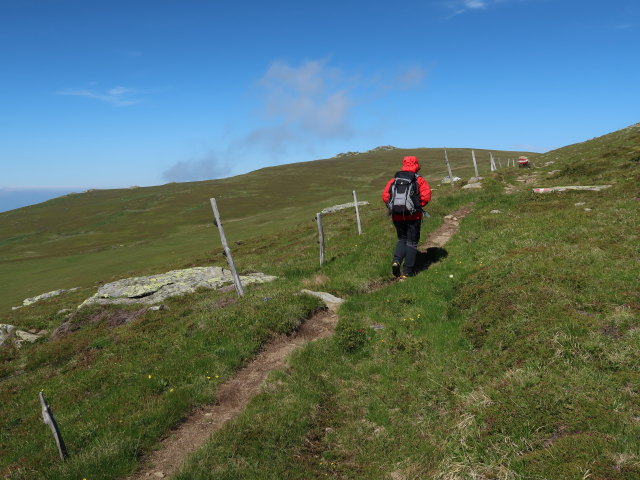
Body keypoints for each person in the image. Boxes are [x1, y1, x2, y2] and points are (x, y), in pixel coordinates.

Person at [381, 156, 432, 279]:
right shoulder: (419, 180)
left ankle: (396, 260)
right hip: (413, 216)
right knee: (412, 242)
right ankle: (407, 272)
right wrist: (417, 206)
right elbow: (426, 196)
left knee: (402, 239)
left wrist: (392, 207)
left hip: (397, 216)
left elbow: (385, 195)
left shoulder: (394, 179)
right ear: (416, 165)